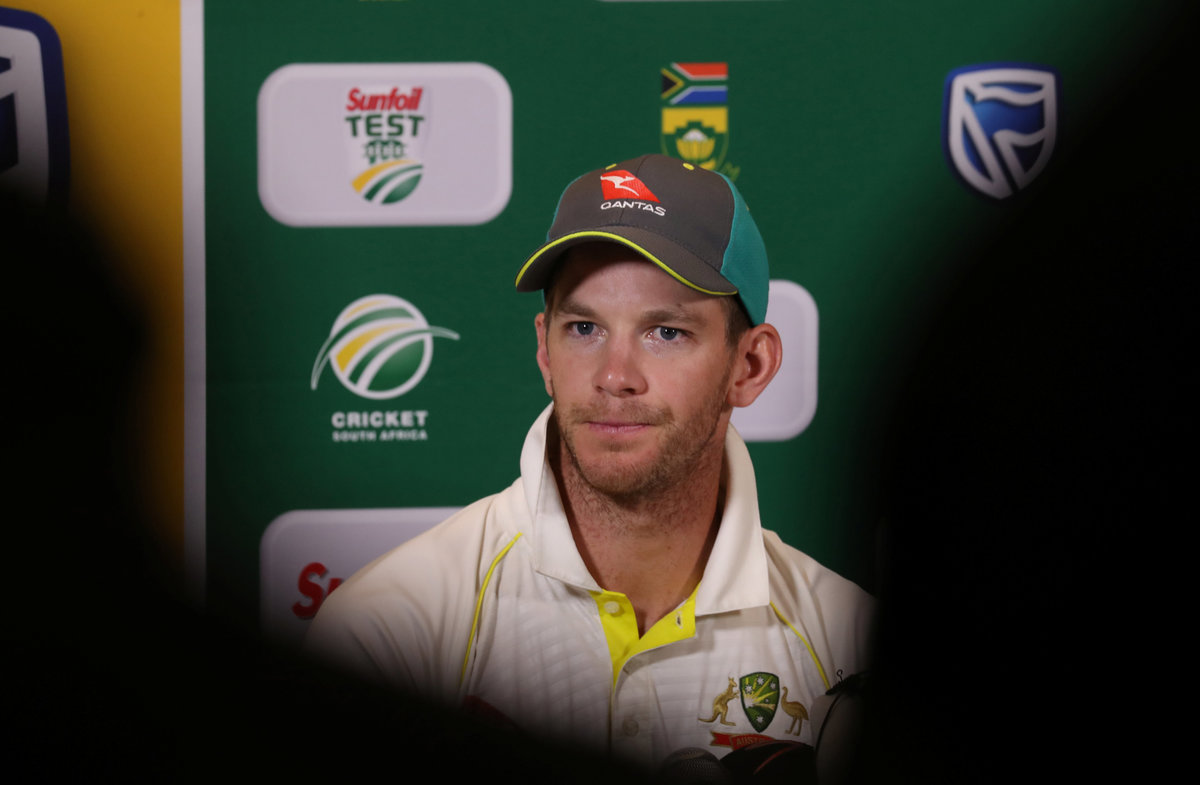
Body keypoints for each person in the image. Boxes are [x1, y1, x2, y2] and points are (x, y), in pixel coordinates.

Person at [305, 153, 873, 769]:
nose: (614, 375)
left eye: (666, 332)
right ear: (545, 352)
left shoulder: (849, 642)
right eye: (584, 328)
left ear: (750, 366)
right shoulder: (387, 628)